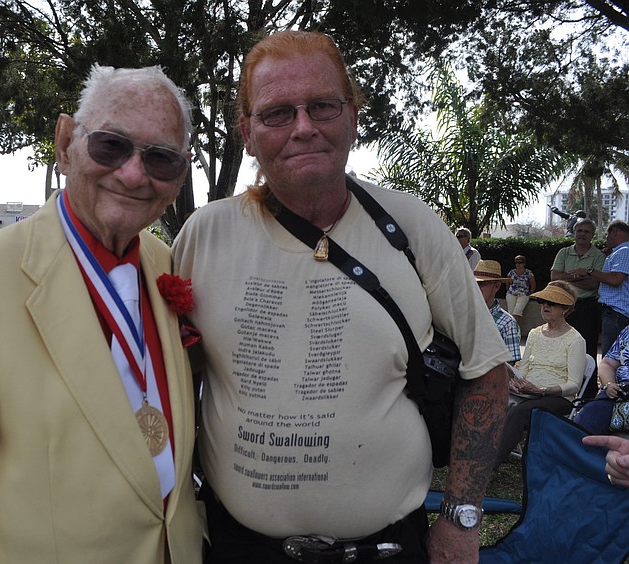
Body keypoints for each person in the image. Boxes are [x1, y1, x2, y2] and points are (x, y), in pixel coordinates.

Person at [173, 31, 510, 564]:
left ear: (353, 117)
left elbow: (487, 370)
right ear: (247, 132)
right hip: (239, 548)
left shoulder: (412, 226)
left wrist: (462, 516)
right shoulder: (203, 236)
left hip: (387, 549)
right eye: (277, 113)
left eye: (322, 106)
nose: (303, 127)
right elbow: (172, 375)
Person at [0, 65, 203, 563]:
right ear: (64, 143)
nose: (132, 173)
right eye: (110, 145)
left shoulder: (165, 262)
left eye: (161, 159)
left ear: (179, 176)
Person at [494, 281, 586, 467]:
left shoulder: (576, 340)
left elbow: (574, 385)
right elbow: (525, 369)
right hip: (528, 392)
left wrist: (543, 390)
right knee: (492, 396)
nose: (545, 306)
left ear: (565, 309)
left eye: (552, 303)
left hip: (557, 398)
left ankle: (488, 465)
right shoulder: (535, 333)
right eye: (543, 302)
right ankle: (474, 452)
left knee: (521, 410)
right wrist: (515, 381)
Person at [572, 220, 629, 356]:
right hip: (614, 314)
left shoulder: (624, 251)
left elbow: (616, 280)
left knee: (611, 360)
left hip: (616, 313)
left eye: (607, 235)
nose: (606, 239)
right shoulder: (619, 252)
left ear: (614, 232)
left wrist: (589, 271)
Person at [550, 218, 605, 360]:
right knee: (560, 345)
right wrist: (580, 276)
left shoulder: (598, 256)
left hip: (588, 307)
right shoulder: (564, 252)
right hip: (563, 306)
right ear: (574, 232)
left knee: (587, 348)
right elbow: (554, 277)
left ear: (592, 235)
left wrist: (567, 278)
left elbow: (594, 283)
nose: (582, 234)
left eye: (587, 231)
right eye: (579, 230)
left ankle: (589, 382)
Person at [573, 324, 629, 435]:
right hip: (619, 392)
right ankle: (575, 451)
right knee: (589, 415)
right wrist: (609, 384)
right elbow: (607, 363)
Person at [475, 260, 521, 362]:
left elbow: (511, 365)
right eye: (474, 282)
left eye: (482, 284)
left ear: (497, 286)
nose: (476, 287)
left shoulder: (507, 323)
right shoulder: (461, 314)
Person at [505, 255, 536, 325]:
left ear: (524, 263)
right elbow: (508, 282)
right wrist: (508, 291)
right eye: (516, 262)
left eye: (520, 262)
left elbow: (533, 284)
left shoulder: (528, 273)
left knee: (517, 312)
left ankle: (513, 328)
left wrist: (530, 294)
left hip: (524, 294)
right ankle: (514, 329)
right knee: (510, 312)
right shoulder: (511, 272)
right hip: (511, 293)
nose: (518, 264)